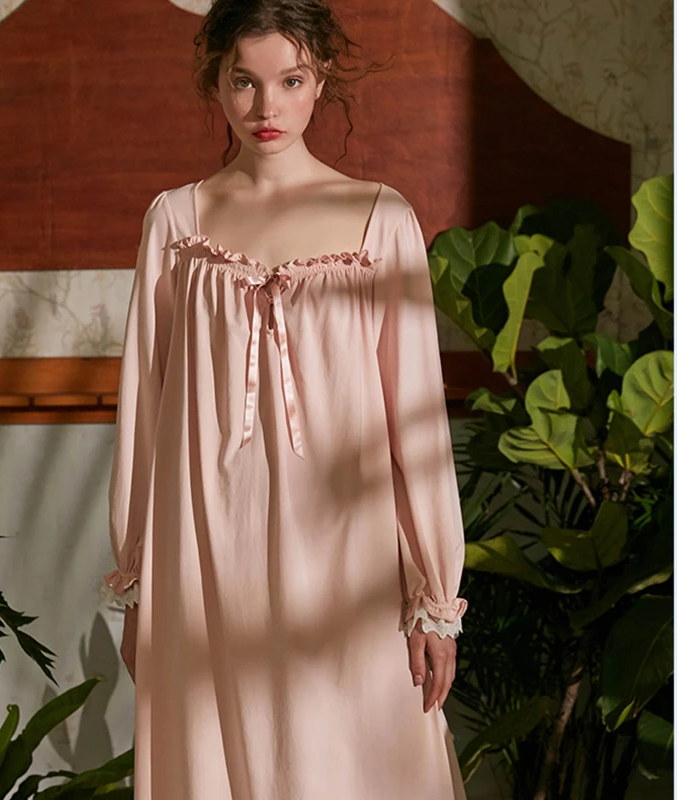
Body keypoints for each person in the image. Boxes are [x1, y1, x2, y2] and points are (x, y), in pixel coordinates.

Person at [101, 1, 468, 797]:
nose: (266, 106)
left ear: (321, 78)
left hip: (349, 562)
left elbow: (414, 423)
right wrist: (136, 585)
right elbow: (145, 413)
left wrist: (435, 595)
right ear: (216, 82)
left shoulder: (380, 220)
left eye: (290, 80)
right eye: (244, 81)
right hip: (204, 560)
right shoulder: (175, 224)